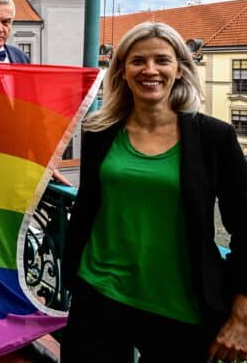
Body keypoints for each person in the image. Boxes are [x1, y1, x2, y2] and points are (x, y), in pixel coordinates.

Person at [61, 22, 247, 362]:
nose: (150, 70)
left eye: (162, 60)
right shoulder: (99, 131)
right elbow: (90, 205)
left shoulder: (213, 138)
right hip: (100, 293)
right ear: (122, 71)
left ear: (179, 69)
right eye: (138, 61)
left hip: (179, 307)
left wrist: (241, 315)